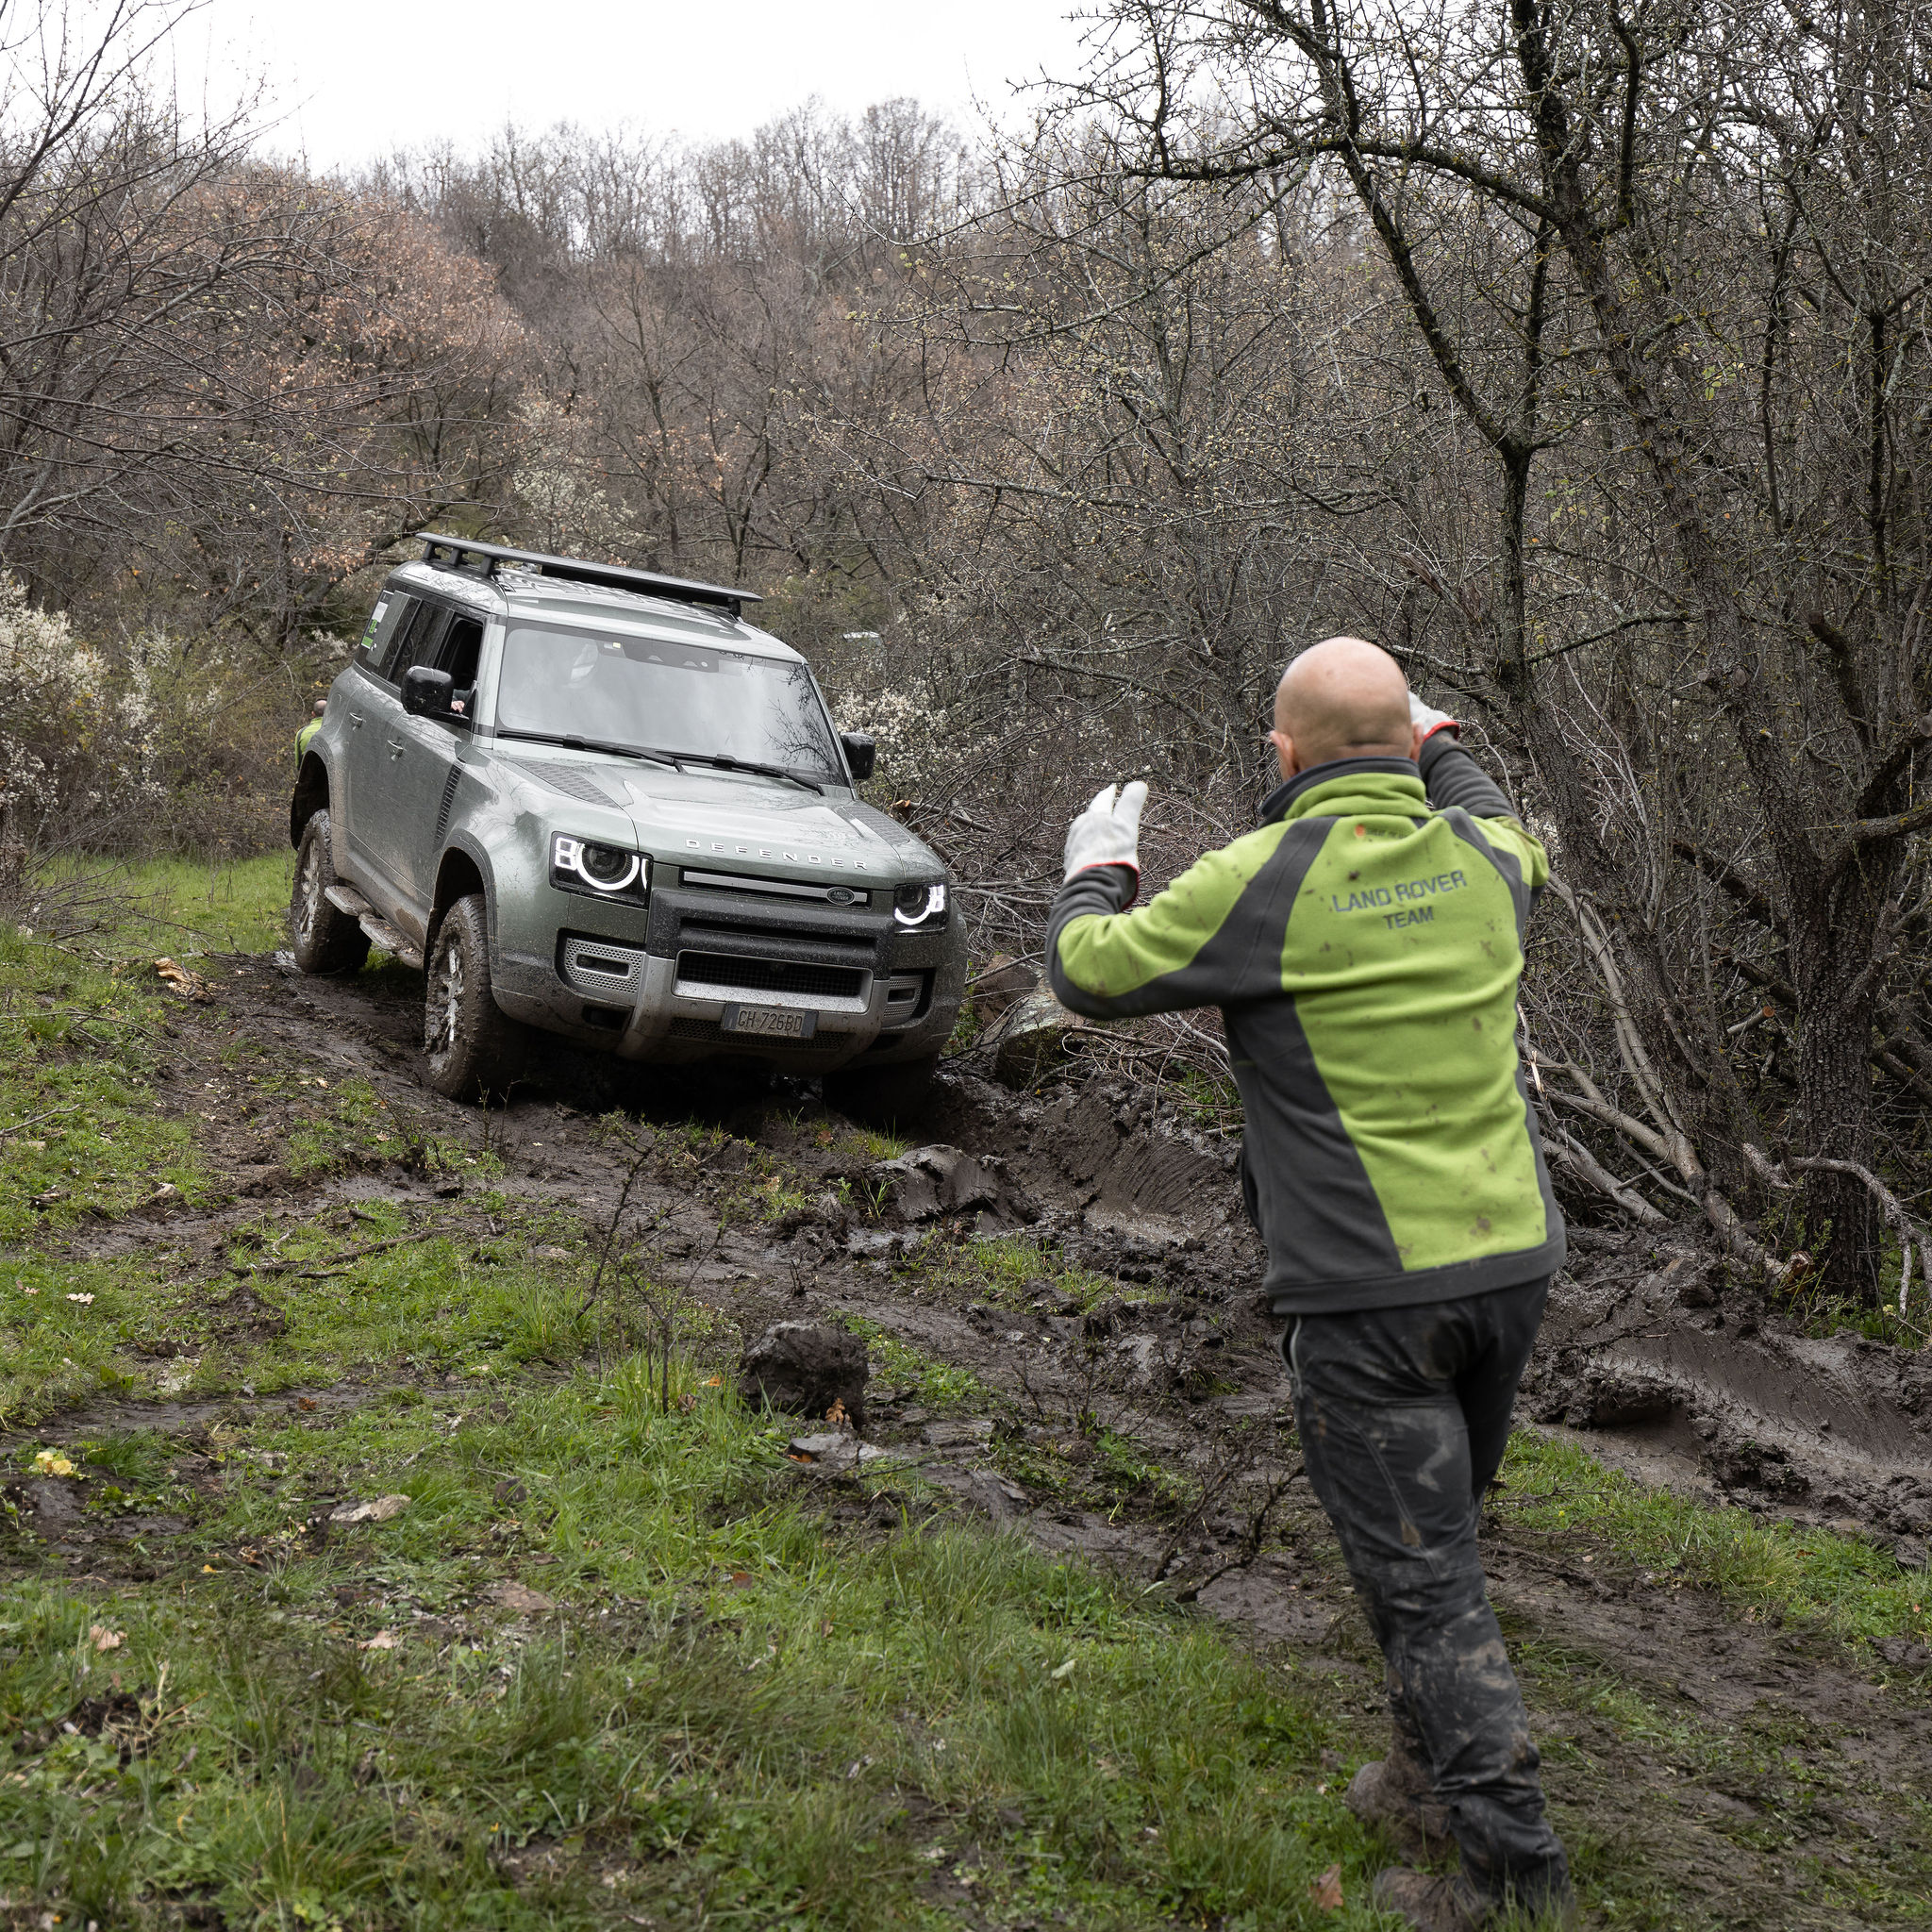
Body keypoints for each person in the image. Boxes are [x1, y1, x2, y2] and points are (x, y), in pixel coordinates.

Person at [1045, 636, 1573, 1931]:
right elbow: (1488, 805)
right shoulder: (1492, 863)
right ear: (1412, 744)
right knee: (1432, 1550)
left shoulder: (1263, 880)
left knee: (1425, 1580)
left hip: (1366, 1295)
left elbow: (1089, 974)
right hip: (1509, 1271)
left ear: (1280, 758)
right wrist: (1434, 738)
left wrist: (1089, 875)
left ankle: (1514, 1881)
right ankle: (1416, 1781)